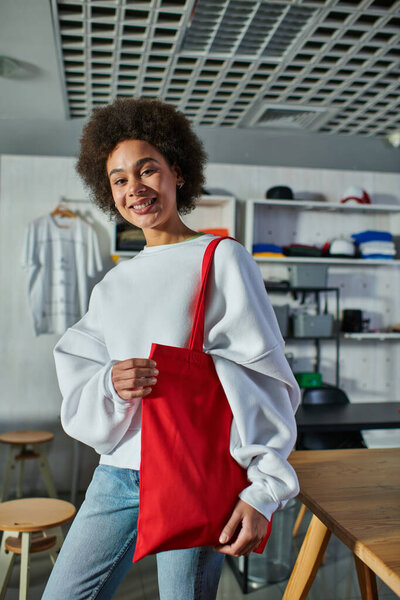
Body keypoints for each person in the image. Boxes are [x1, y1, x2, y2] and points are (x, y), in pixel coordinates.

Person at [43, 97, 300, 600]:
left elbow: (261, 378)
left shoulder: (220, 258)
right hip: (117, 474)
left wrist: (264, 489)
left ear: (177, 173)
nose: (134, 188)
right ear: (107, 191)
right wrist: (111, 383)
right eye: (119, 179)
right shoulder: (112, 285)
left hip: (193, 468)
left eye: (147, 170)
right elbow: (81, 379)